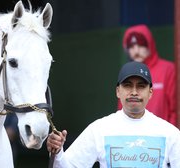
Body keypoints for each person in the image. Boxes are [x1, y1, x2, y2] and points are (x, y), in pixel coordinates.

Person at [47, 61, 180, 168]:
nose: (134, 92)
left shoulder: (169, 133)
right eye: (127, 85)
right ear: (118, 91)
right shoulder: (99, 129)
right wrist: (57, 152)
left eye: (141, 86)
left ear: (150, 92)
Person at [118, 24, 177, 126]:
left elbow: (175, 110)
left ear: (150, 44)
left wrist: (169, 137)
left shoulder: (168, 69)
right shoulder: (127, 72)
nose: (136, 51)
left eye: (141, 45)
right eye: (131, 46)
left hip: (162, 137)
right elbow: (122, 110)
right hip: (134, 137)